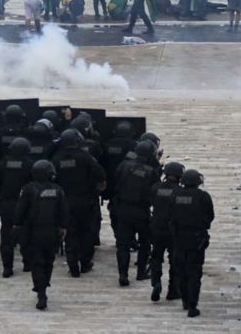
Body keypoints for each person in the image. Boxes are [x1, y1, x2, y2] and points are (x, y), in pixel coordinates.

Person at [15, 159, 68, 310]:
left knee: (36, 261)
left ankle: (41, 290)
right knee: (49, 259)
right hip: (52, 231)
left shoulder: (28, 189)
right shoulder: (58, 190)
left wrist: (17, 224)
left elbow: (20, 209)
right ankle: (45, 283)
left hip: (33, 231)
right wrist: (64, 227)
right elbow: (63, 210)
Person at [52, 128, 106, 277]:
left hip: (65, 202)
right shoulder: (86, 157)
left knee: (70, 234)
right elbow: (101, 178)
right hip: (85, 201)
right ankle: (85, 262)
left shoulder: (56, 159)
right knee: (87, 232)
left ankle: (72, 264)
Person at [113, 140, 159, 286]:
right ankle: (140, 272)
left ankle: (123, 274)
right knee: (145, 243)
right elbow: (155, 193)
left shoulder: (124, 165)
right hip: (142, 211)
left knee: (123, 245)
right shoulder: (151, 172)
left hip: (123, 209)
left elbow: (116, 183)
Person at [170, 168, 214, 317]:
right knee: (194, 272)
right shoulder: (203, 196)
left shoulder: (175, 195)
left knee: (181, 271)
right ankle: (192, 305)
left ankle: (185, 300)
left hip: (179, 238)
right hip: (196, 238)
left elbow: (169, 214)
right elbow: (210, 216)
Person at [0, 137, 33, 277]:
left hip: (6, 204)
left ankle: (7, 267)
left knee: (6, 236)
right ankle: (27, 263)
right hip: (24, 204)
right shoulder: (29, 164)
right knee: (26, 234)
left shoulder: (3, 163)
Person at [148, 161, 184, 302]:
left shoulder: (156, 187)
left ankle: (156, 282)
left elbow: (150, 201)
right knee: (174, 260)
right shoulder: (180, 192)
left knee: (156, 257)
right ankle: (173, 290)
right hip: (173, 230)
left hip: (156, 227)